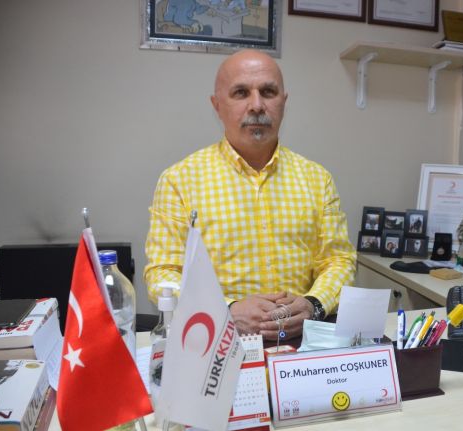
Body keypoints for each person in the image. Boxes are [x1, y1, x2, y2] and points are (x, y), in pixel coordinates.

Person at [144, 49, 356, 340]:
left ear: (283, 102)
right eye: (241, 93)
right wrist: (225, 310)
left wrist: (314, 305)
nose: (256, 105)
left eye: (268, 92)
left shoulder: (318, 179)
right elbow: (162, 275)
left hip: (302, 343)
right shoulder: (179, 181)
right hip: (216, 341)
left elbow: (339, 261)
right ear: (217, 105)